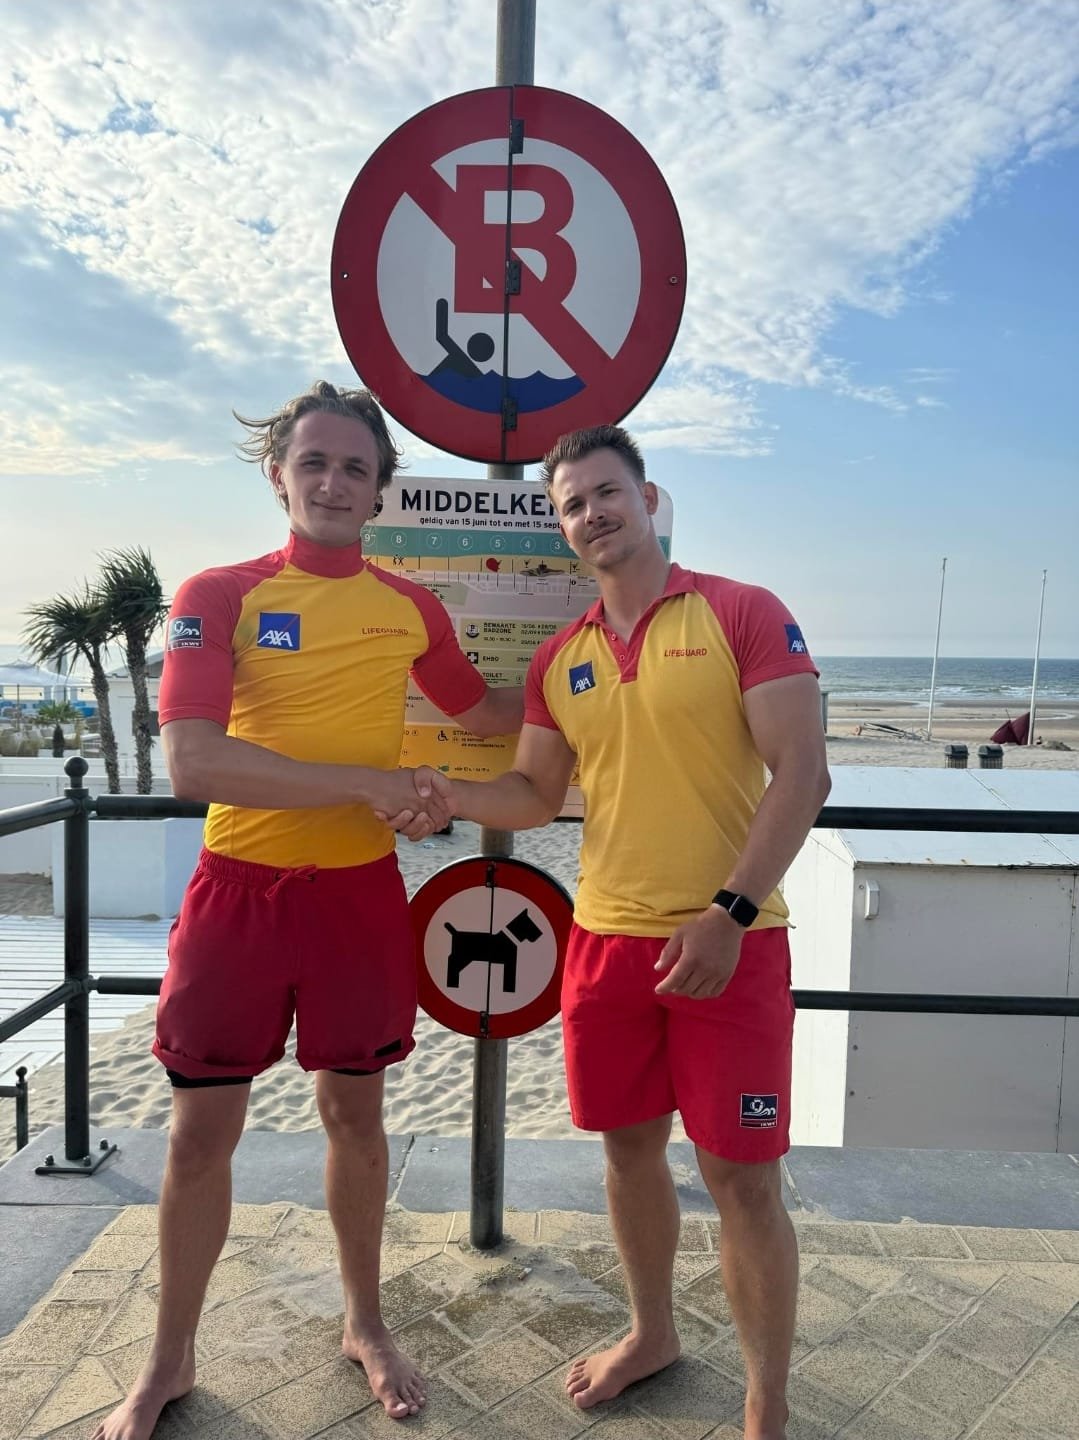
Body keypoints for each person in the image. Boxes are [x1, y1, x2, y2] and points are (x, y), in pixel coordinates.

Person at [95, 381, 522, 1440]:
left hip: (356, 899)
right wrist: (364, 781)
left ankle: (365, 1324)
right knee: (199, 1136)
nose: (334, 482)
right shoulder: (220, 592)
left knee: (356, 1121)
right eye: (316, 462)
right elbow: (196, 762)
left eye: (356, 468)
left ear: (379, 492)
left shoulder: (405, 605)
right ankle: (169, 1355)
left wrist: (620, 682)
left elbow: (483, 714)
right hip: (239, 893)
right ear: (278, 473)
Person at [402, 424, 830, 1440]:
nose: (590, 514)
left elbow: (803, 773)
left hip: (733, 938)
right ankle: (651, 1333)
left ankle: (765, 1401)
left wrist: (726, 912)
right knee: (628, 1153)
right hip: (603, 941)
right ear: (560, 527)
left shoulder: (740, 612)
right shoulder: (564, 656)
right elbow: (532, 791)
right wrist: (432, 797)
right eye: (570, 505)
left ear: (646, 498)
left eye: (605, 493)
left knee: (740, 1177)